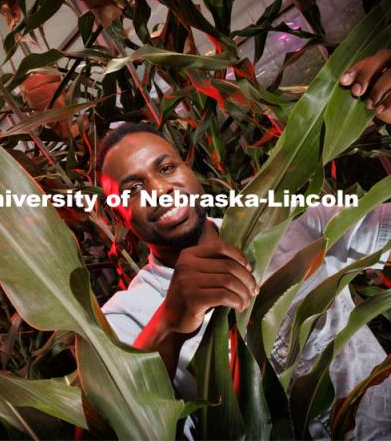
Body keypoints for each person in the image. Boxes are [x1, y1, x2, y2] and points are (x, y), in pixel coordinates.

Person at [97, 49, 391, 440]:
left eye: (166, 168)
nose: (160, 190)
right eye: (133, 189)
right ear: (117, 212)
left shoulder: (293, 221)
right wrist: (169, 323)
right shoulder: (126, 316)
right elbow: (110, 428)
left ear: (190, 170)